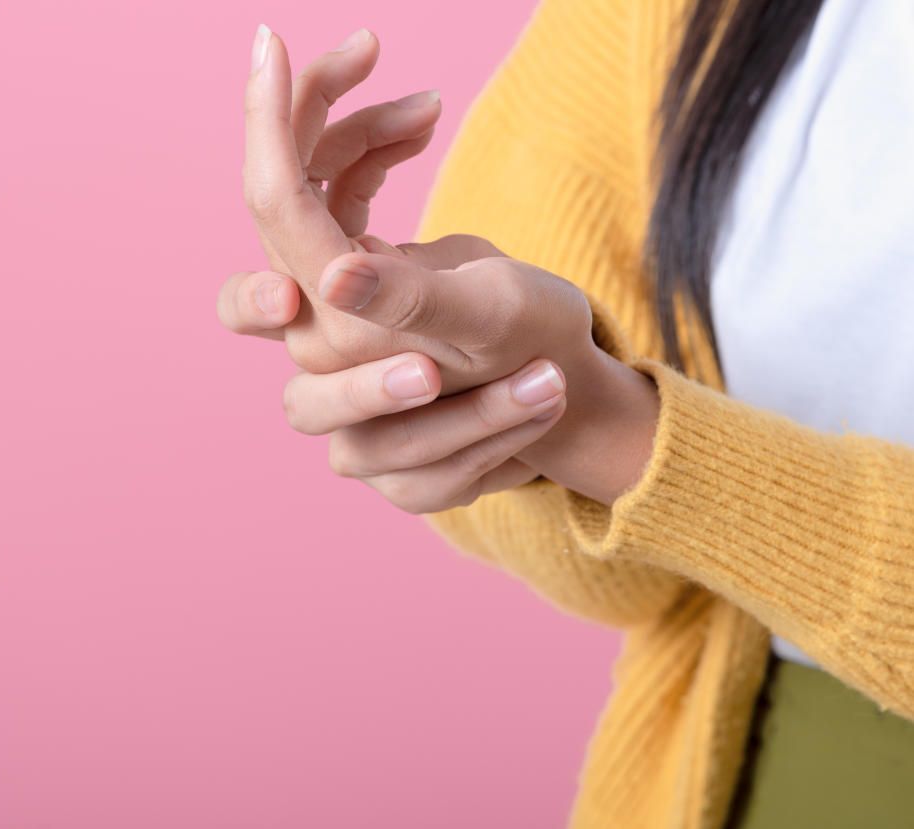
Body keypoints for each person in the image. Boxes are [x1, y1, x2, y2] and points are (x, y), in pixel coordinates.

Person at [217, 0, 914, 825]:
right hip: (747, 772)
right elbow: (635, 589)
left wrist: (622, 435)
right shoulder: (652, 21)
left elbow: (615, 435)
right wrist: (471, 390)